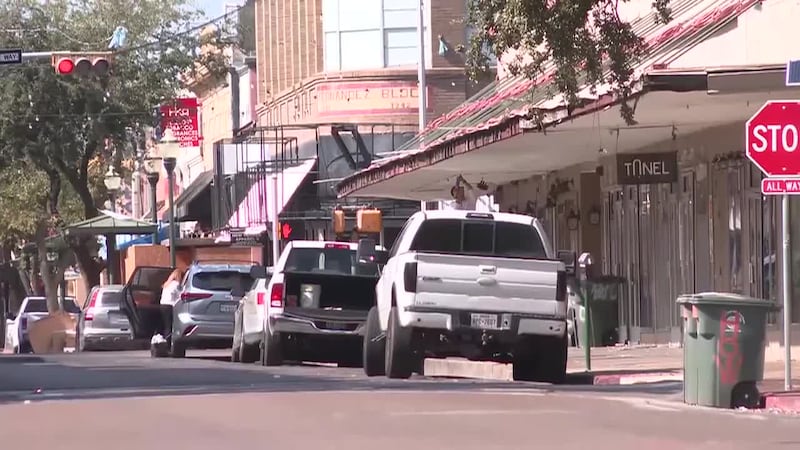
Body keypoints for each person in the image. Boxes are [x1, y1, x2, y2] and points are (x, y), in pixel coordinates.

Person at [151, 268, 183, 345]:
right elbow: (180, 296)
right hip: (170, 306)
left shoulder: (167, 284)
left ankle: (165, 341)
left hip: (162, 305)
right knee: (170, 325)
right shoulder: (176, 284)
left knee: (165, 324)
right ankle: (169, 343)